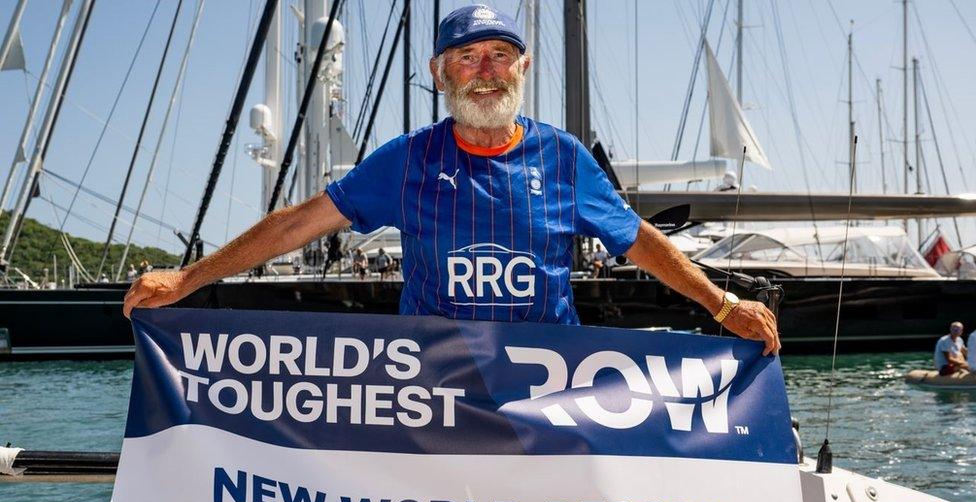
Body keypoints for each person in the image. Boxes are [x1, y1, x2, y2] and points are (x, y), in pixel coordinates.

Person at [123, 5, 779, 355]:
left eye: (500, 56)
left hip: (548, 389)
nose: (485, 70)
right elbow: (297, 223)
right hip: (432, 393)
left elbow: (637, 240)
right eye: (467, 58)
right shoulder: (408, 160)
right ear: (441, 74)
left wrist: (722, 305)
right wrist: (187, 279)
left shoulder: (563, 159)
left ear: (521, 69)